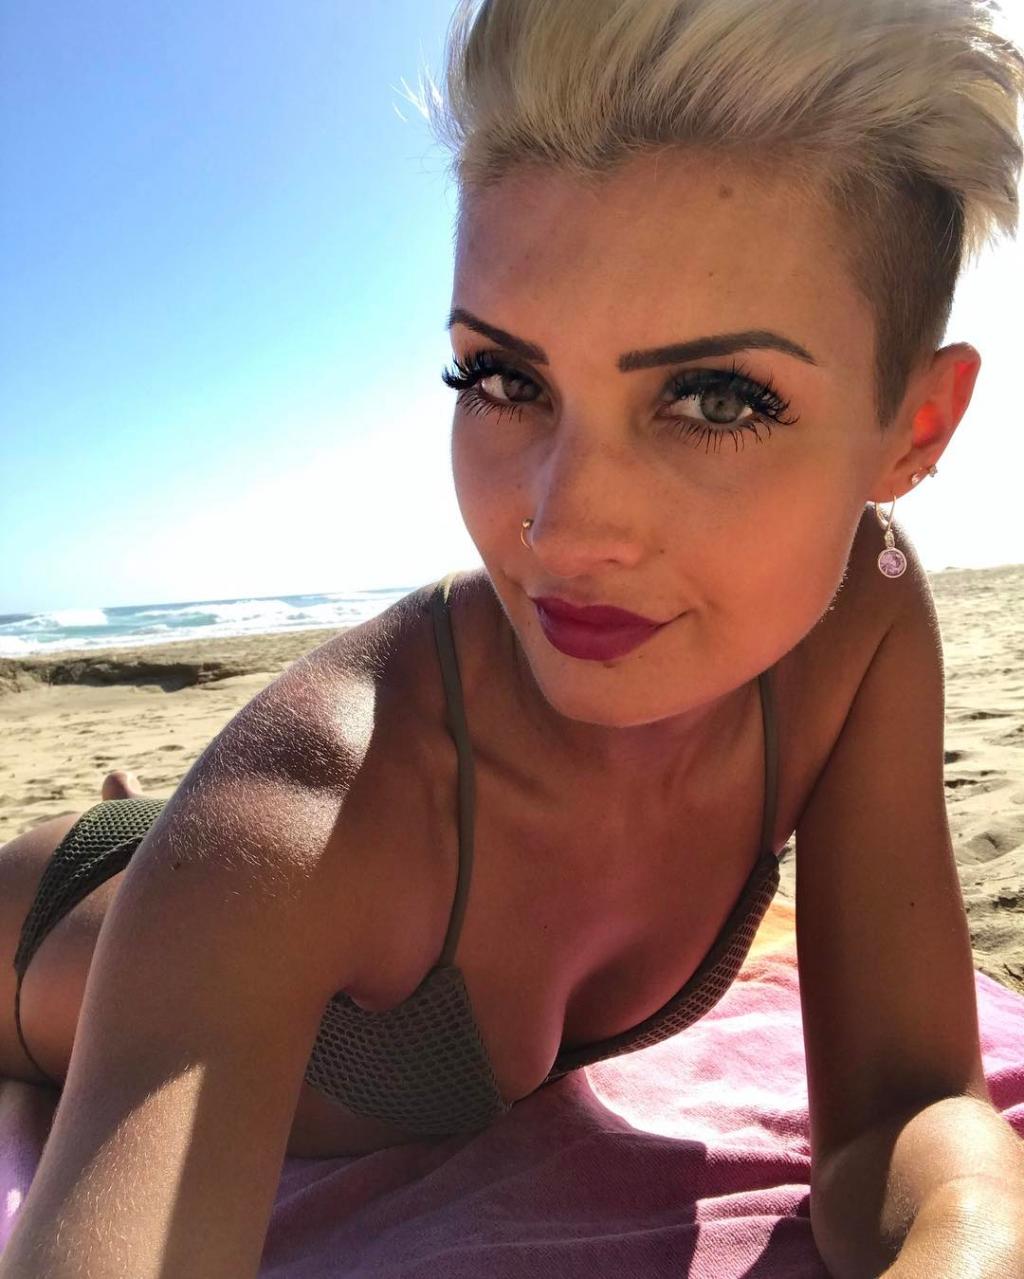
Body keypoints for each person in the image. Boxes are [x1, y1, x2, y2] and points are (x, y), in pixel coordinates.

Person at [3, 0, 1024, 1274]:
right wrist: (208, 862)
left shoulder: (856, 616)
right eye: (503, 377)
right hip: (64, 920)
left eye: (717, 399)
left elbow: (895, 1111)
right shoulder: (307, 812)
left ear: (914, 429)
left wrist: (969, 1232)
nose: (562, 526)